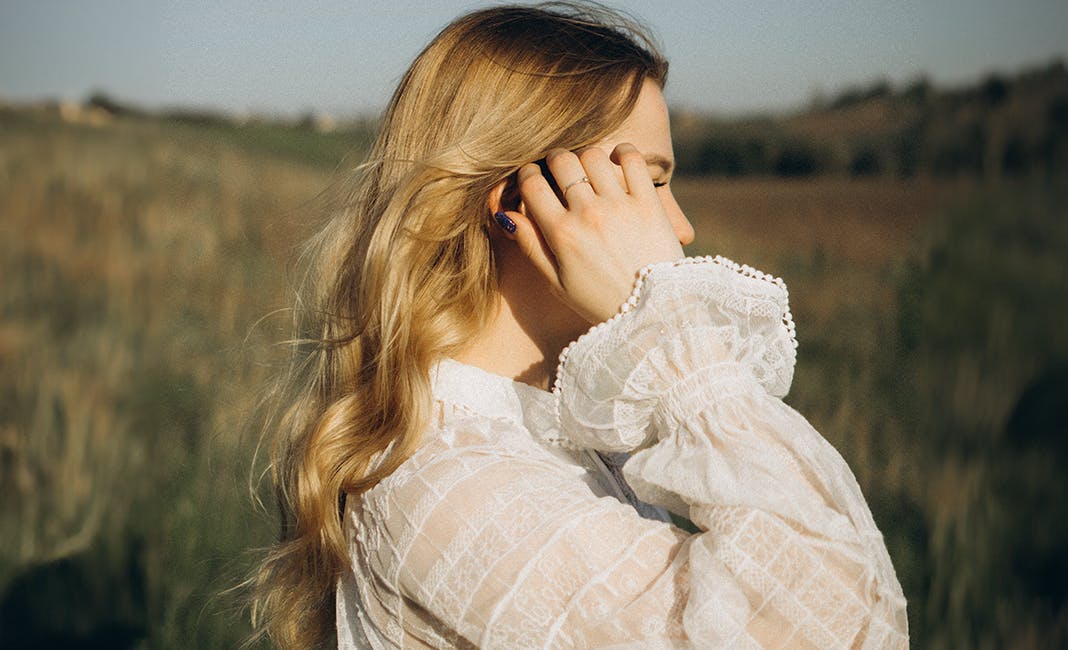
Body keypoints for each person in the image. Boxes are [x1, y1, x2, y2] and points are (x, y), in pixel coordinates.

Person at [251, 3, 909, 648]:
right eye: (645, 184)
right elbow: (836, 626)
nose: (680, 228)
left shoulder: (558, 434)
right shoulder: (453, 487)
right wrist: (678, 341)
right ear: (524, 200)